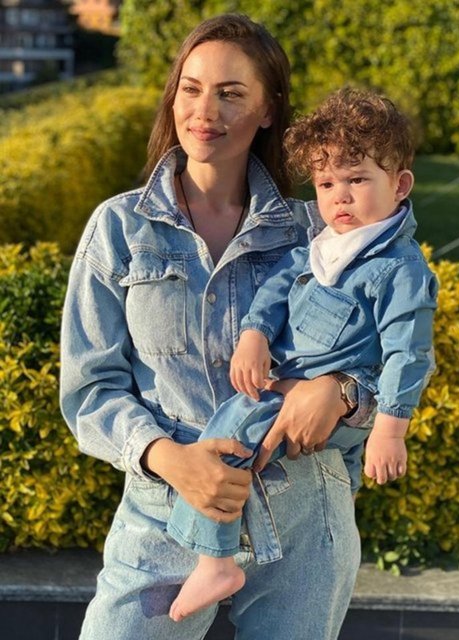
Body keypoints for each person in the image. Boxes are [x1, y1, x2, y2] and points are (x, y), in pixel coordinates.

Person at [60, 14, 364, 640]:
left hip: (303, 518)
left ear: (268, 110)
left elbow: (388, 354)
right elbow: (89, 388)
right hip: (163, 514)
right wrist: (168, 458)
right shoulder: (119, 228)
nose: (205, 111)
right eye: (191, 89)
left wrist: (341, 393)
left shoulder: (317, 232)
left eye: (231, 94)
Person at [166, 86, 438, 622]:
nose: (340, 197)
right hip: (290, 387)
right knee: (247, 439)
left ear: (400, 185)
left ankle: (215, 560)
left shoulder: (399, 268)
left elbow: (409, 351)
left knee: (231, 429)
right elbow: (276, 288)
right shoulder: (322, 247)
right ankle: (237, 549)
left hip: (338, 403)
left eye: (357, 180)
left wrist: (390, 429)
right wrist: (254, 335)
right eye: (327, 184)